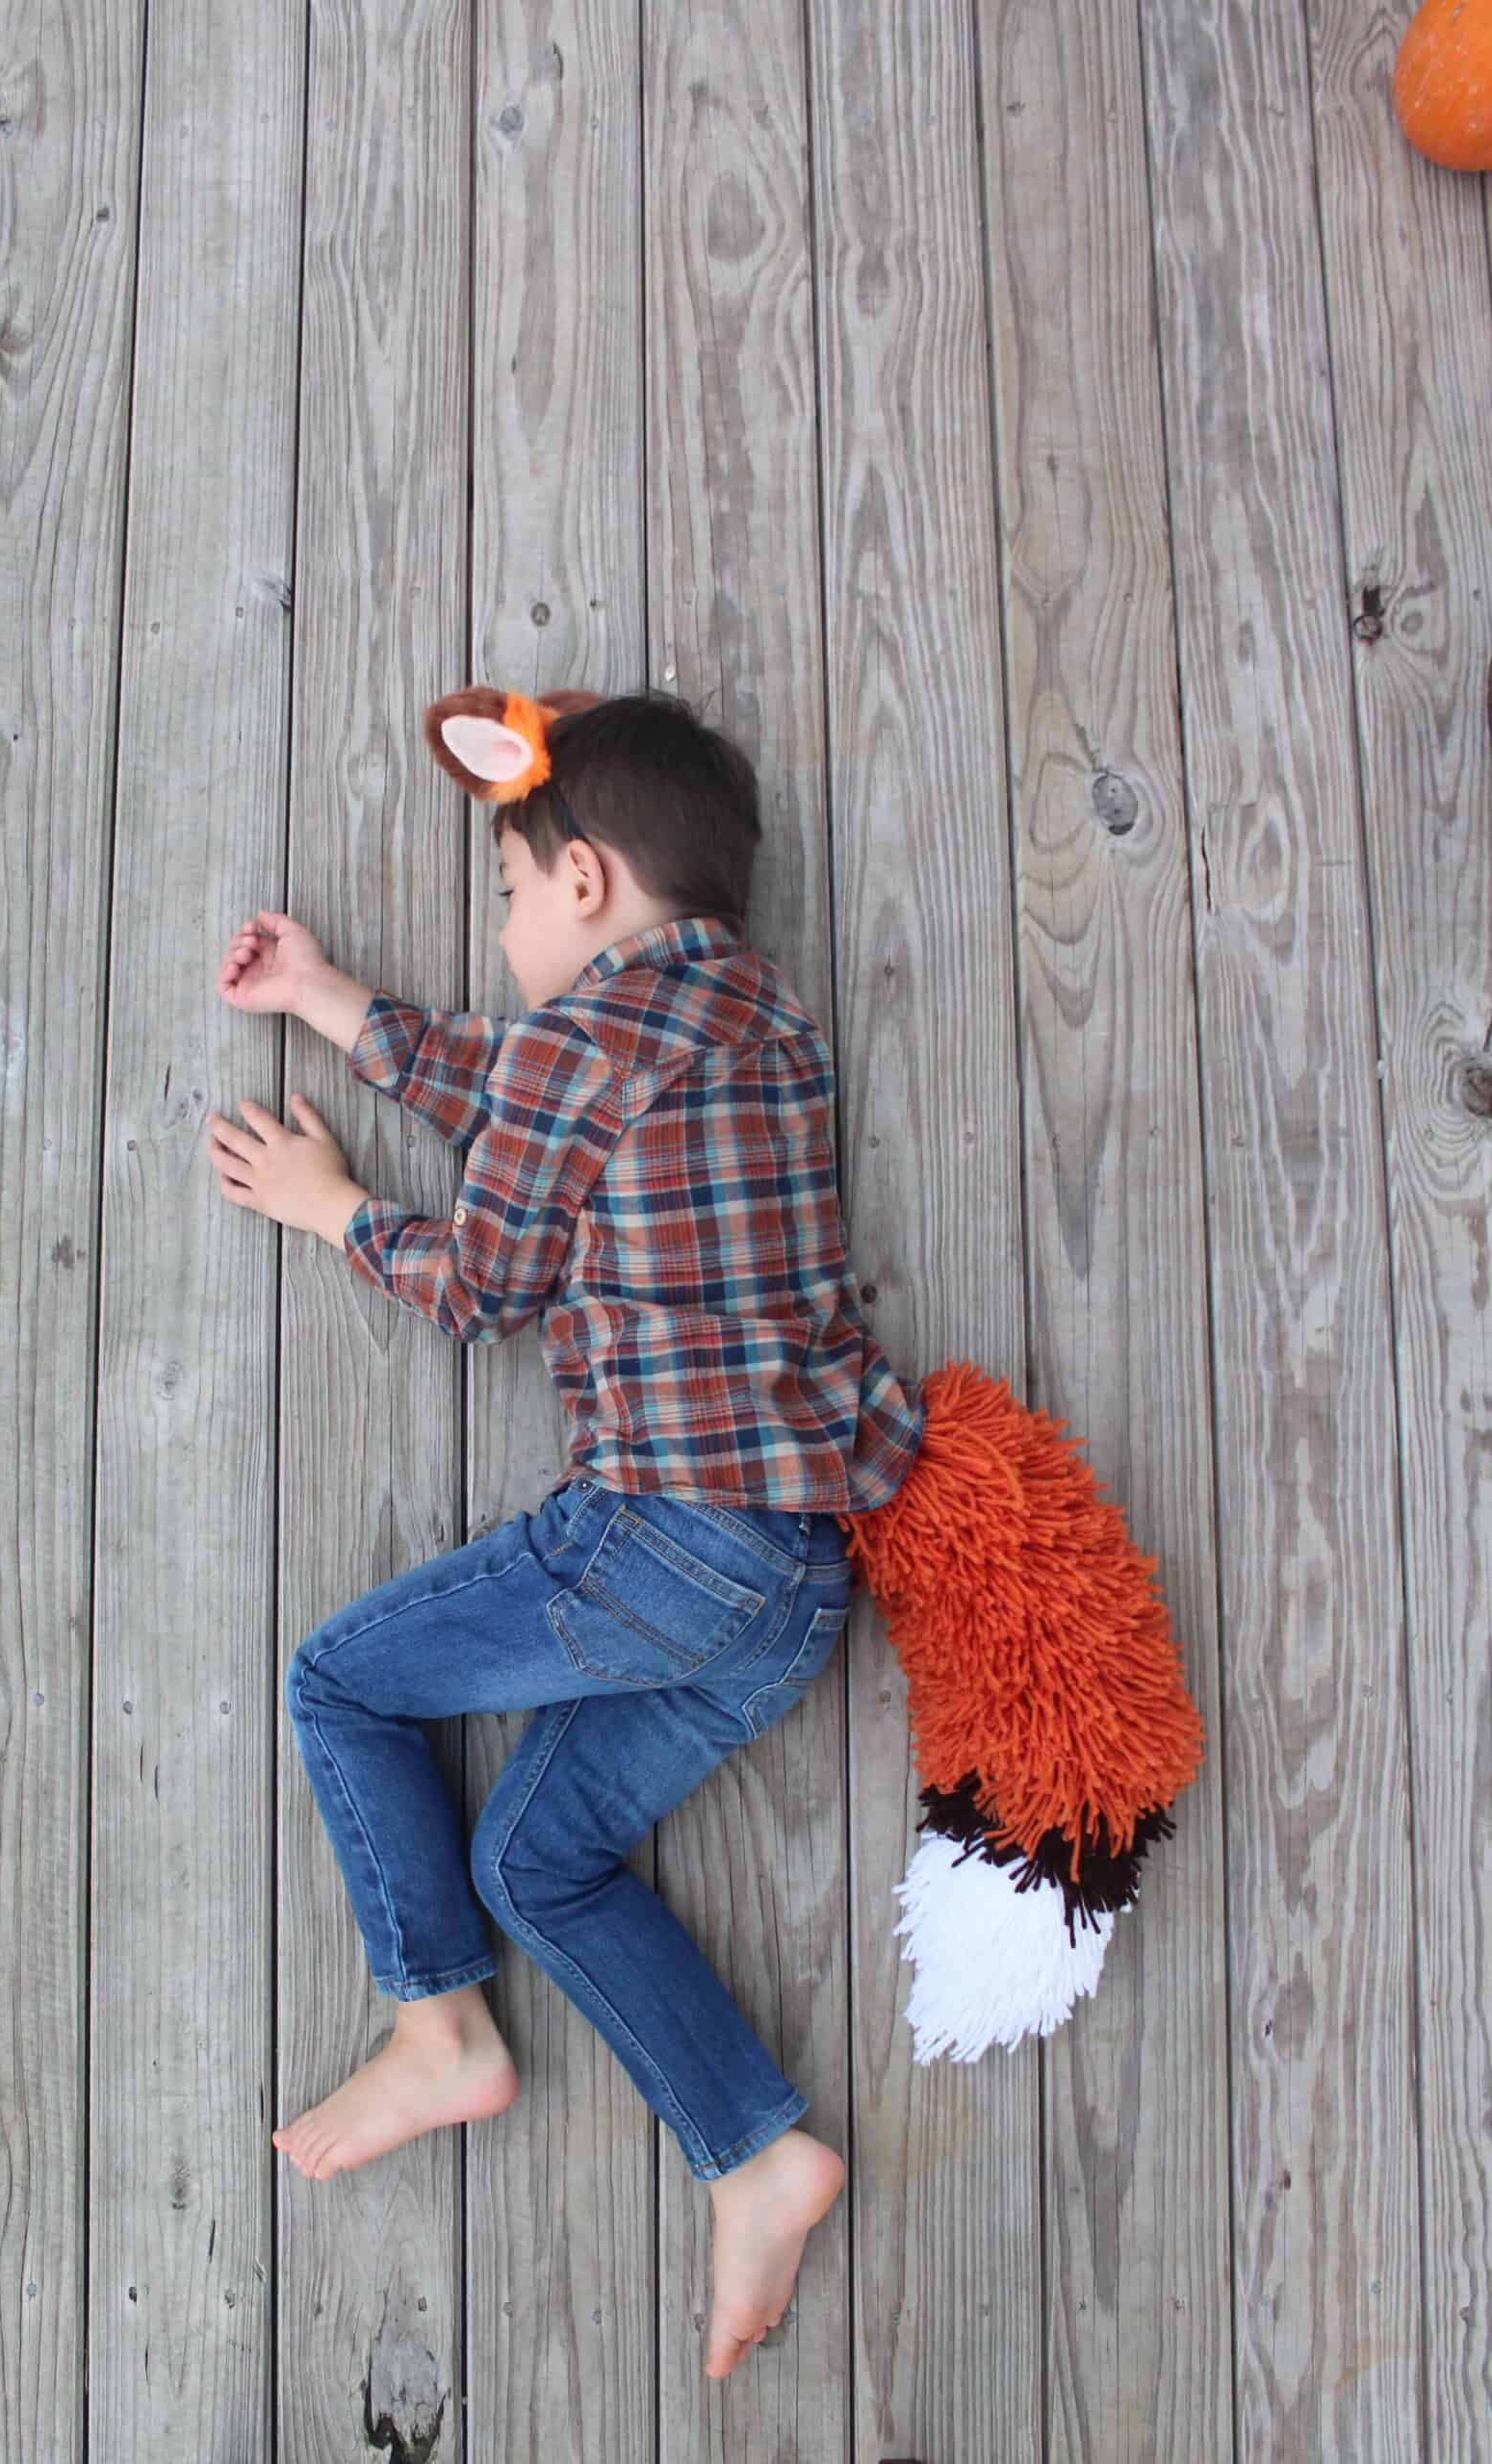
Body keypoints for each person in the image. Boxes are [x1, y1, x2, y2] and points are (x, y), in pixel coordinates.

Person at [207, 687, 928, 2382]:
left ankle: (438, 2023)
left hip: (660, 1545)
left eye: (514, 895)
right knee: (538, 1855)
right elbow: (526, 1097)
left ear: (587, 883)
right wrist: (328, 1003)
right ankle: (756, 2147)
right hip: (796, 1577)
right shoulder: (763, 1020)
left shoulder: (586, 1044)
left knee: (340, 1684)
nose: (512, 929)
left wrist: (337, 1213)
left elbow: (488, 1279)